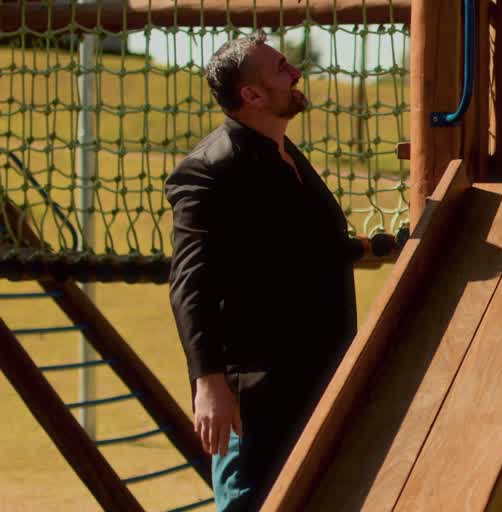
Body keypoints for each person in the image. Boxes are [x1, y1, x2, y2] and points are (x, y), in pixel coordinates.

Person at [166, 32, 400, 511]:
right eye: (280, 69)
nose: (294, 73)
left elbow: (300, 246)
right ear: (250, 94)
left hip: (320, 376)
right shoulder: (208, 170)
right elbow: (191, 281)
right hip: (256, 392)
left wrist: (373, 247)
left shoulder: (286, 154)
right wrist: (208, 381)